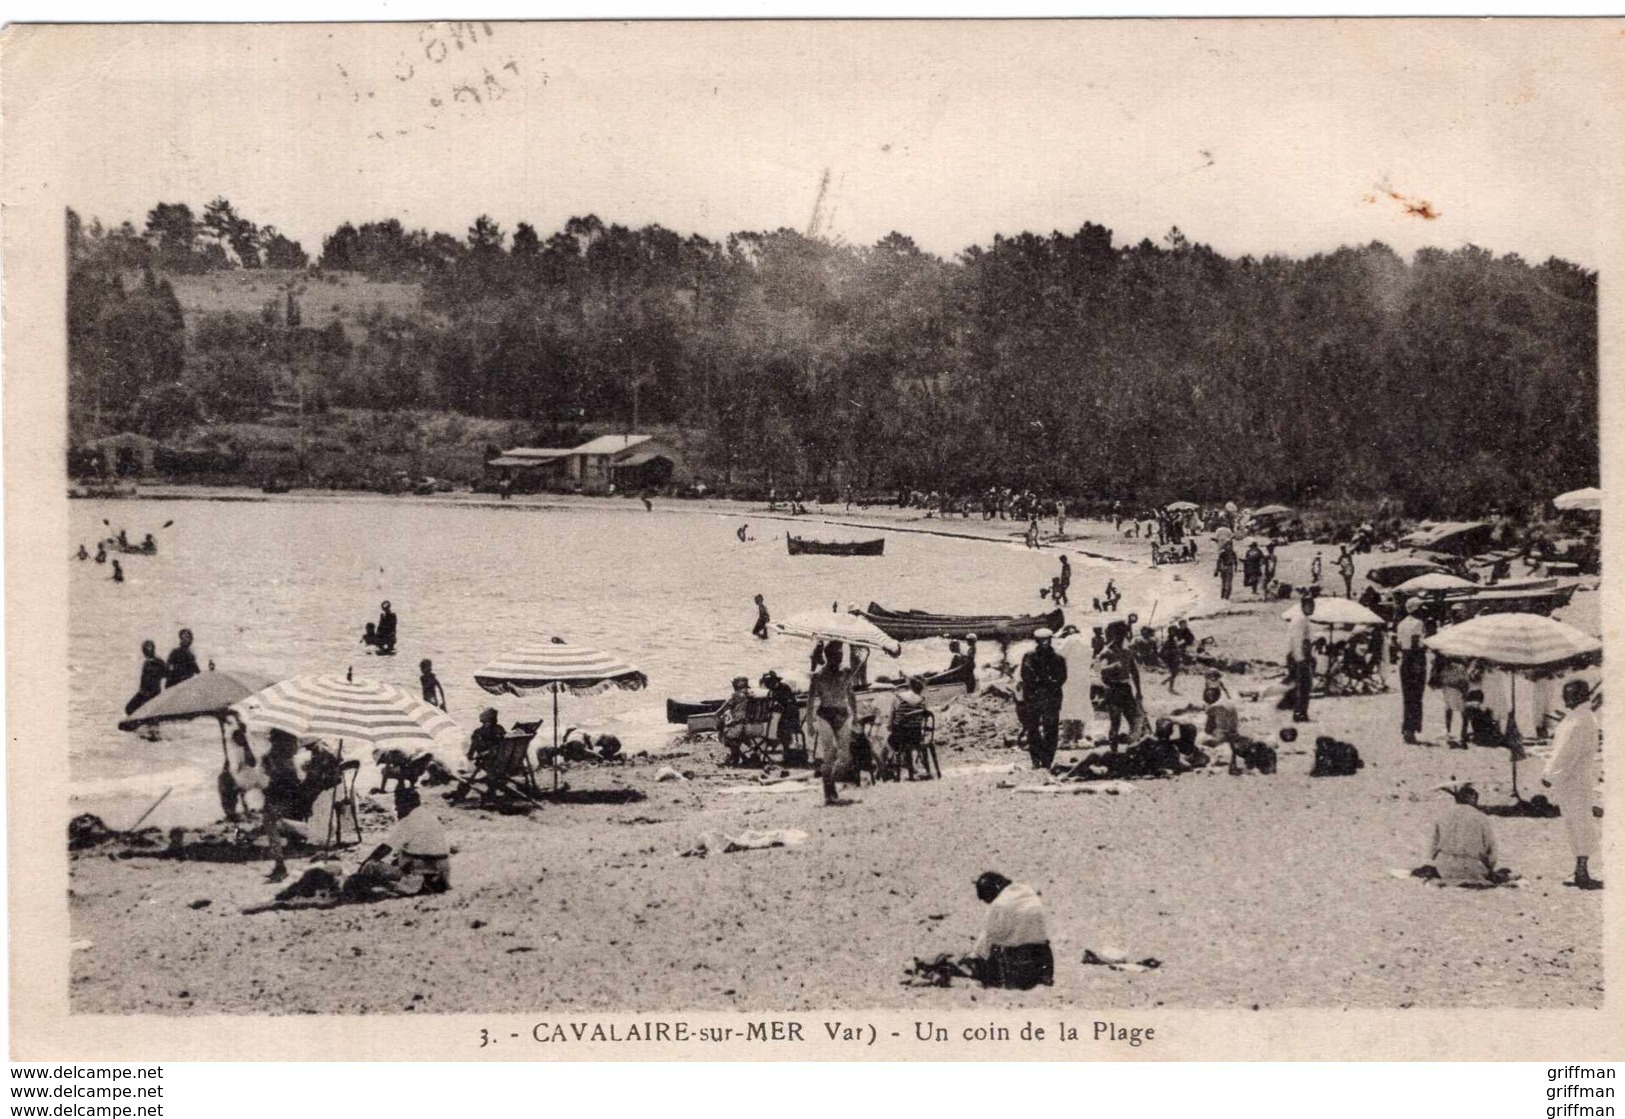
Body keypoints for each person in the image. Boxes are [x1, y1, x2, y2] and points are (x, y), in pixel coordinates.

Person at [1542, 680, 1602, 889]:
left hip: (1574, 779)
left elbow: (1567, 754)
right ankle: (1579, 869)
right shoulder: (1577, 718)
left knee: (1580, 823)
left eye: (1570, 694)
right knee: (1574, 823)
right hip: (1571, 779)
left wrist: (1550, 775)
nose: (1565, 699)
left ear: (1580, 696)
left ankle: (1583, 871)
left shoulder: (1581, 721)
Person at [342, 788, 452, 899]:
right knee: (397, 860)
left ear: (405, 804)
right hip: (442, 875)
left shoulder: (408, 821)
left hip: (421, 876)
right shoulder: (429, 815)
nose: (397, 809)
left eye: (398, 805)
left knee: (370, 867)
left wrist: (363, 866)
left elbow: (385, 848)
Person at [962, 872, 1054, 990]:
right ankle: (1045, 979)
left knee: (990, 950)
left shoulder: (1000, 904)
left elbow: (990, 936)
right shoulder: (1027, 891)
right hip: (1043, 960)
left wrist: (974, 957)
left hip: (1017, 967)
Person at [807, 640, 859, 805]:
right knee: (829, 753)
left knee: (844, 755)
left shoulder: (846, 673)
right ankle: (828, 791)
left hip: (842, 713)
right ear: (829, 656)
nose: (840, 658)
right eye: (837, 655)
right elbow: (810, 699)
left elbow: (851, 695)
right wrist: (809, 721)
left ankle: (831, 784)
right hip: (825, 714)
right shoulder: (818, 675)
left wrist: (855, 715)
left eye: (841, 655)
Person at [1425, 783, 1503, 886]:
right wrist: (1490, 868)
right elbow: (1491, 850)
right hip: (1473, 869)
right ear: (1474, 799)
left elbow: (1432, 848)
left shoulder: (1443, 816)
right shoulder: (1481, 818)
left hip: (1445, 868)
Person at [1019, 629, 1067, 769]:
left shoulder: (1058, 658)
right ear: (1036, 641)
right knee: (1033, 728)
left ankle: (1048, 760)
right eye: (1042, 640)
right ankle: (1036, 758)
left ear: (1051, 640)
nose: (1045, 643)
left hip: (1051, 697)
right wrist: (1041, 684)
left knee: (1051, 729)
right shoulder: (1029, 656)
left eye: (1047, 640)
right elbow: (1026, 676)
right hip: (1034, 697)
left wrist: (1047, 684)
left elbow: (1061, 678)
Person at [1093, 620, 1142, 747]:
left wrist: (1139, 692)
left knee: (1134, 722)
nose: (1121, 636)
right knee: (1116, 723)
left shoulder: (1127, 651)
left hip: (1126, 688)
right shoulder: (1107, 651)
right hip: (1113, 689)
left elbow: (1135, 672)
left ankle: (1132, 750)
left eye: (1123, 633)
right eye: (1118, 633)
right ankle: (1113, 752)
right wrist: (1113, 666)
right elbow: (1101, 670)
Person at [1396, 597, 1428, 744]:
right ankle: (1412, 728)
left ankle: (1407, 728)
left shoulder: (1401, 624)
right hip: (1416, 658)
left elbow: (1399, 644)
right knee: (1416, 696)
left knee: (1408, 696)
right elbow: (1416, 643)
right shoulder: (1418, 623)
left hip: (1405, 659)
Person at [1056, 624, 1094, 744]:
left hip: (1070, 678)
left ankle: (1067, 735)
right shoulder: (1086, 642)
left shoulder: (1069, 640)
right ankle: (1079, 734)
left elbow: (1059, 656)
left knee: (1067, 704)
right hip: (1083, 678)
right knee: (1082, 703)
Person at [1285, 595, 1315, 722]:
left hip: (1297, 656)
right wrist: (1301, 659)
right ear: (1303, 606)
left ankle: (1300, 711)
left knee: (1301, 686)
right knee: (1303, 686)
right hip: (1298, 657)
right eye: (1309, 606)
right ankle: (1299, 712)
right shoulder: (1300, 620)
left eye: (1312, 606)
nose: (1312, 608)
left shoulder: (1301, 619)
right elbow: (1297, 641)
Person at [1432, 654, 1471, 747]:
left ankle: (1448, 731)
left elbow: (1442, 680)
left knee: (1448, 710)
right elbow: (1465, 681)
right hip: (1458, 691)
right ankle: (1463, 734)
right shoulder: (1460, 667)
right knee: (1464, 713)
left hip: (1448, 690)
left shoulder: (1446, 668)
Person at [716, 676, 755, 766]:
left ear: (736, 685)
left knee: (723, 731)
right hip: (754, 726)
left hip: (740, 727)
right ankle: (743, 756)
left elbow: (720, 710)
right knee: (737, 735)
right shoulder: (752, 695)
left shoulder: (735, 696)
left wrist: (719, 717)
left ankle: (735, 757)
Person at [124, 639, 168, 717]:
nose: (147, 650)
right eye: (145, 648)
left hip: (153, 692)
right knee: (129, 708)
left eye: (149, 647)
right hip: (144, 691)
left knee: (145, 708)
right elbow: (143, 679)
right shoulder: (146, 663)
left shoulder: (159, 661)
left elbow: (166, 674)